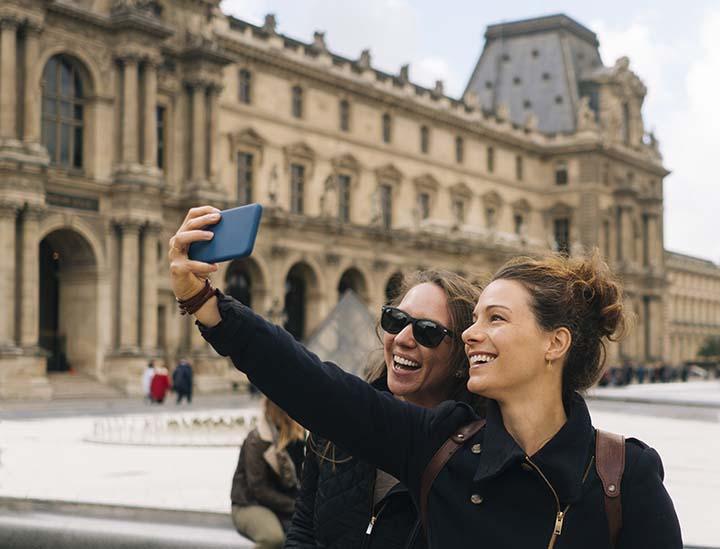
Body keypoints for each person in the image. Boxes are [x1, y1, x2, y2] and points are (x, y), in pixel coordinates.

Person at [169, 206, 682, 548]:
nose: (472, 335)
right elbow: (312, 385)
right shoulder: (440, 444)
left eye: (496, 319)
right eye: (474, 318)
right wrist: (205, 303)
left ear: (556, 343)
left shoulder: (623, 476)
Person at [287, 270, 484, 548]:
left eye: (427, 331)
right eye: (396, 320)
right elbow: (303, 529)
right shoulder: (340, 421)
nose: (402, 338)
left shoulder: (477, 456)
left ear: (463, 357)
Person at [231, 397, 306, 549]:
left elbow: (303, 479)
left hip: (286, 504)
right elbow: (259, 489)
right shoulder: (257, 439)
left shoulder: (299, 436)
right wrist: (295, 506)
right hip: (249, 504)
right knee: (273, 538)